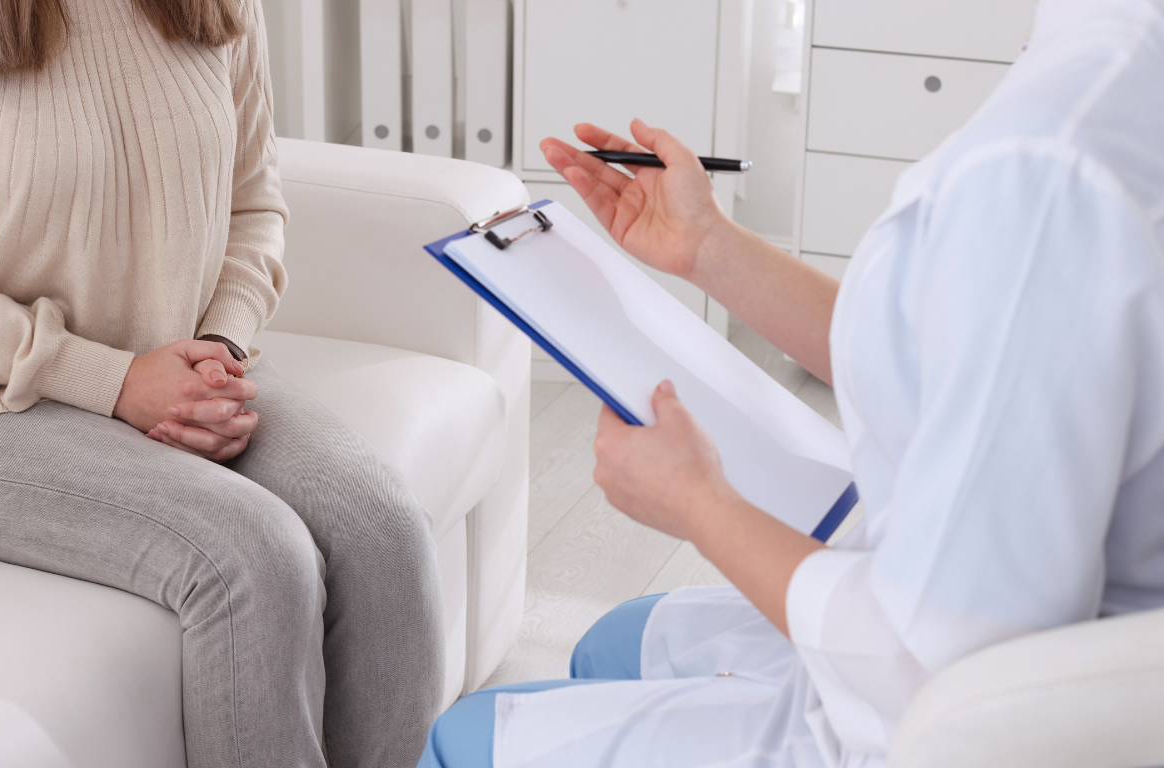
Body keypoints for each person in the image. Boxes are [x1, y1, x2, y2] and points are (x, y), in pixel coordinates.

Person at [419, 0, 1164, 765]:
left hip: (939, 713)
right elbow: (940, 354)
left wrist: (701, 505)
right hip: (989, 628)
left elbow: (935, 664)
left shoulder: (1049, 166)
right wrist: (708, 245)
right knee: (616, 641)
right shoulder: (1097, 94)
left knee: (459, 745)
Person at [0, 0, 443, 766]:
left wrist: (219, 347)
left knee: (384, 529)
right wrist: (118, 383)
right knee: (257, 558)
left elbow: (255, 202)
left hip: (191, 366)